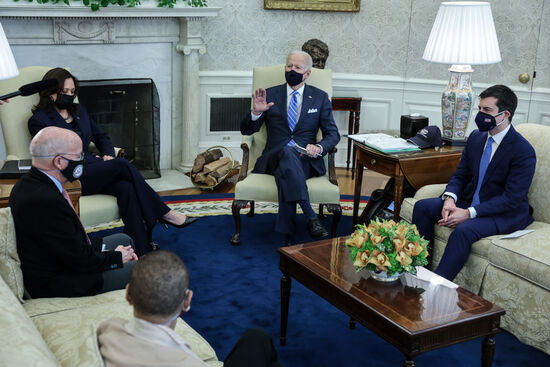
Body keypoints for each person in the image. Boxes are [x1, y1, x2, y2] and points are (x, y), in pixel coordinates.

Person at [28, 67, 197, 256]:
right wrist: (98, 160)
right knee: (123, 164)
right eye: (64, 92)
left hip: (93, 168)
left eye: (72, 92)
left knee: (126, 188)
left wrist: (108, 154)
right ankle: (163, 212)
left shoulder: (79, 111)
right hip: (71, 175)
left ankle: (140, 251)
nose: (69, 96)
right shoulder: (38, 120)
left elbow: (102, 136)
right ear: (51, 93)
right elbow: (54, 156)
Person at [412, 85, 536, 281]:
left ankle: (433, 286)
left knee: (464, 230)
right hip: (469, 202)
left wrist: (469, 213)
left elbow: (512, 198)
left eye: (487, 111)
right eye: (479, 109)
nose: (480, 115)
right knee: (423, 207)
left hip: (503, 212)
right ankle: (418, 271)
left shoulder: (523, 150)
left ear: (505, 114)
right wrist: (449, 199)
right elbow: (460, 175)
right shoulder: (476, 138)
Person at [9, 126, 138, 298]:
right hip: (59, 281)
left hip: (62, 261)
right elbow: (79, 260)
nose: (82, 160)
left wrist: (113, 253)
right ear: (59, 162)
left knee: (124, 239)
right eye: (78, 156)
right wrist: (116, 258)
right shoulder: (44, 200)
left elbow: (69, 241)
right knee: (142, 270)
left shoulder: (31, 182)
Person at [97, 250, 283, 367]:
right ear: (187, 300)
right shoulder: (188, 361)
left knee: (256, 338)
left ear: (128, 294)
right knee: (257, 338)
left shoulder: (108, 329)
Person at [241, 51, 340, 240]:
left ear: (308, 74)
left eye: (297, 68)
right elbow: (246, 130)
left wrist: (319, 148)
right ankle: (310, 215)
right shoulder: (269, 94)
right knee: (287, 152)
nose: (291, 70)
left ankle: (288, 235)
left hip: (306, 161)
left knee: (287, 166)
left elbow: (333, 134)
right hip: (273, 158)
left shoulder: (320, 97)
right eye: (289, 66)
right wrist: (255, 113)